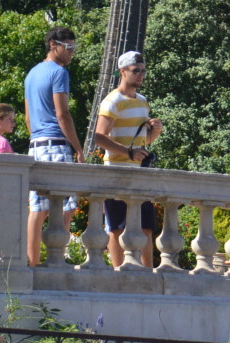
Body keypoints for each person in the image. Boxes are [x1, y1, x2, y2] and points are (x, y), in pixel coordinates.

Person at [93, 51, 163, 268]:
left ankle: (147, 272)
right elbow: (99, 136)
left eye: (143, 71)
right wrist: (127, 153)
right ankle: (118, 271)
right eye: (135, 71)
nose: (140, 75)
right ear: (122, 72)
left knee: (146, 226)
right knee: (117, 226)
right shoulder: (112, 101)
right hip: (115, 170)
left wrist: (156, 132)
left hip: (139, 171)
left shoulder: (142, 102)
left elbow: (142, 142)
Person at [23, 26, 84, 266]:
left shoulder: (31, 74)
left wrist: (36, 137)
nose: (72, 53)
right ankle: (56, 260)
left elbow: (28, 118)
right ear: (53, 45)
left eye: (74, 48)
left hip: (36, 144)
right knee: (65, 206)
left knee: (38, 209)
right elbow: (63, 114)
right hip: (56, 143)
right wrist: (77, 147)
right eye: (68, 47)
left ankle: (32, 262)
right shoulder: (59, 73)